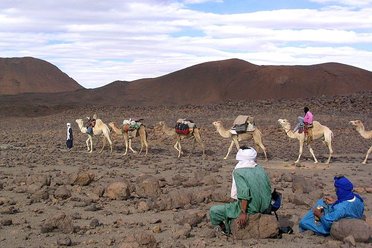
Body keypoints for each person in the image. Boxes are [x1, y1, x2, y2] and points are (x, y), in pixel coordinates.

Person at [209, 146, 272, 235]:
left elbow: (244, 193)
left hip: (251, 209)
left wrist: (243, 212)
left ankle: (224, 230)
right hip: (266, 207)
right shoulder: (260, 169)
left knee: (214, 211)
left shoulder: (238, 171)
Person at [299, 176, 364, 236]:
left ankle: (315, 222)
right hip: (350, 217)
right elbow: (347, 206)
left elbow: (328, 224)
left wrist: (319, 215)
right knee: (322, 202)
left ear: (341, 190)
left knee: (304, 222)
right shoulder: (358, 199)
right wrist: (335, 202)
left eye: (337, 189)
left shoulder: (341, 208)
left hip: (340, 225)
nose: (335, 191)